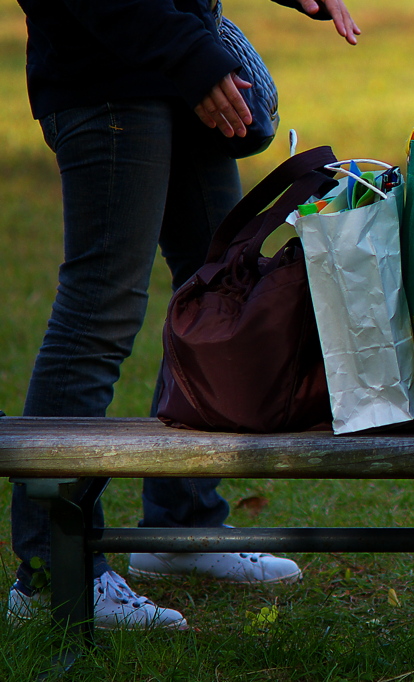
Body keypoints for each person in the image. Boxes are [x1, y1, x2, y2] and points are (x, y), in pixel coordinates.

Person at [8, 0, 360, 630]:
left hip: (182, 79)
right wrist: (192, 57)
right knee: (100, 310)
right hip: (110, 81)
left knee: (220, 294)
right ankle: (46, 572)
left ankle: (182, 528)